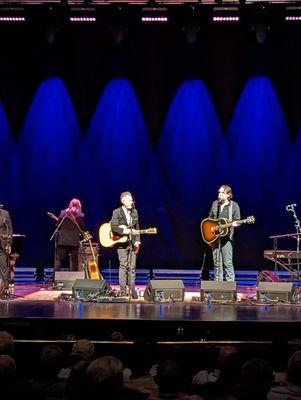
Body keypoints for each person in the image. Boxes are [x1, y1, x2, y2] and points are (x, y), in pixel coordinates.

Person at [111, 191, 140, 298]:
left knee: (132, 267)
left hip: (132, 243)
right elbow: (113, 227)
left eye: (132, 199)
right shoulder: (117, 212)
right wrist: (125, 231)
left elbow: (137, 227)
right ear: (123, 201)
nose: (131, 201)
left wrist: (137, 241)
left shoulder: (135, 212)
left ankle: (132, 290)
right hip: (121, 243)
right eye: (129, 200)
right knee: (123, 266)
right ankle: (123, 291)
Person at [209, 185, 240, 281]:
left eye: (221, 193)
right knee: (217, 263)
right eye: (219, 192)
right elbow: (209, 219)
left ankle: (230, 289)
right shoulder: (215, 204)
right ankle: (218, 288)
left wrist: (236, 224)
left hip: (227, 239)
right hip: (215, 238)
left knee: (228, 263)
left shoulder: (233, 206)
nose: (219, 194)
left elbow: (237, 220)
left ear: (228, 195)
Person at [54, 199, 85, 271]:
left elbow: (58, 225)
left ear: (70, 204)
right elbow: (82, 228)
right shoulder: (80, 215)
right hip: (74, 241)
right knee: (74, 260)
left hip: (63, 240)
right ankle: (74, 280)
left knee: (58, 259)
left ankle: (56, 279)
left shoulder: (62, 213)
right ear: (78, 206)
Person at [0, 205, 13, 293]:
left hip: (2, 243)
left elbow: (10, 229)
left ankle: (5, 287)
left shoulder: (5, 214)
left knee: (4, 266)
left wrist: (9, 244)